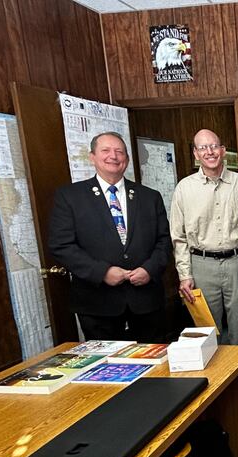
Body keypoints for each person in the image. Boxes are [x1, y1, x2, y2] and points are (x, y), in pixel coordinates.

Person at [48, 132, 170, 342]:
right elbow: (61, 245)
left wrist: (149, 270)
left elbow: (164, 241)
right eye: (105, 150)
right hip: (97, 301)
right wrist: (102, 272)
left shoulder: (149, 197)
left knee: (154, 363)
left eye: (119, 151)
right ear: (92, 157)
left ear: (127, 159)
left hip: (146, 300)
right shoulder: (70, 197)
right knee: (107, 368)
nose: (113, 156)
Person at [170, 129, 238, 345]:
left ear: (223, 150)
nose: (210, 151)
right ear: (196, 154)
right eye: (203, 147)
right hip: (201, 265)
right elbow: (179, 237)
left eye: (214, 146)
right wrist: (184, 274)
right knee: (207, 330)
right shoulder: (184, 189)